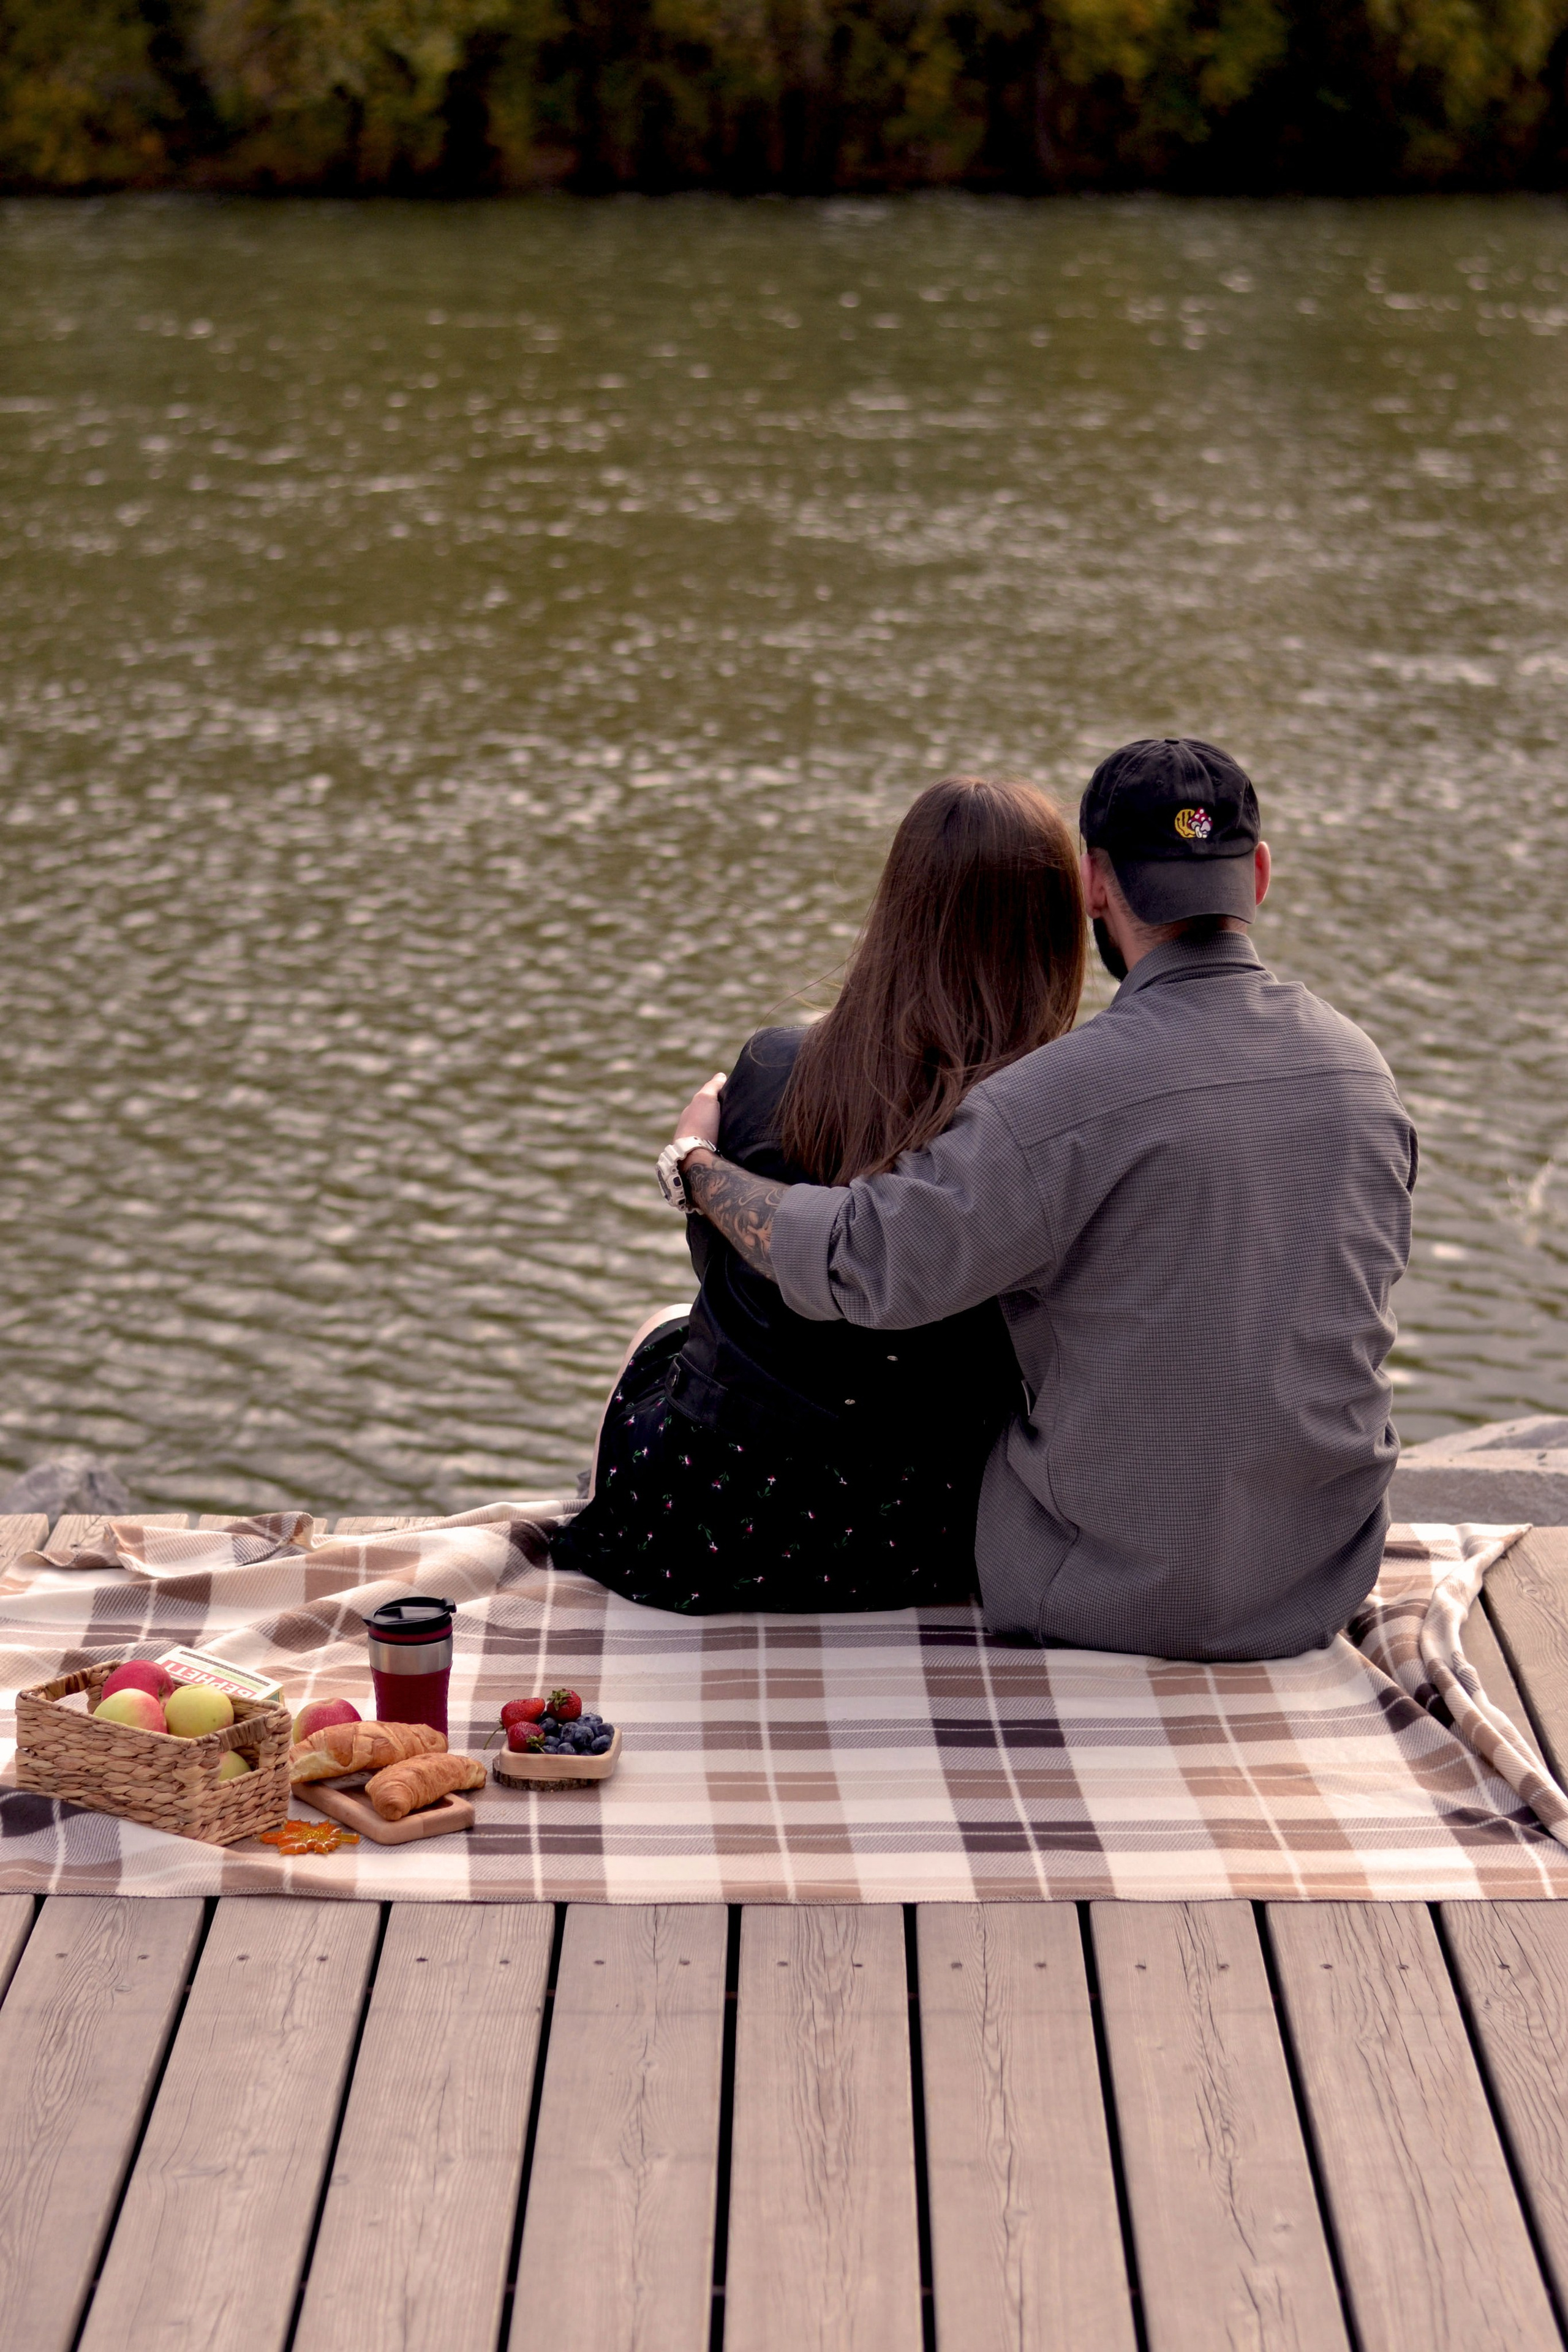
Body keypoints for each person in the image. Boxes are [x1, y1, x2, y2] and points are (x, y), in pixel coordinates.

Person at [669, 737, 1417, 1663]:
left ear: (1095, 883)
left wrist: (697, 1167)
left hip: (1106, 1597)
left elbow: (860, 1265)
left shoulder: (1062, 1098)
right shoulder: (1364, 1077)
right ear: (1259, 875)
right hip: (1315, 1583)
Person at [551, 775, 1087, 1612]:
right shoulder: (1059, 1114)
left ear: (899, 908)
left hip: (709, 1520)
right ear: (1057, 933)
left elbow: (723, 1279)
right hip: (931, 1534)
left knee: (660, 1330)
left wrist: (693, 1157)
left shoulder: (771, 1068)